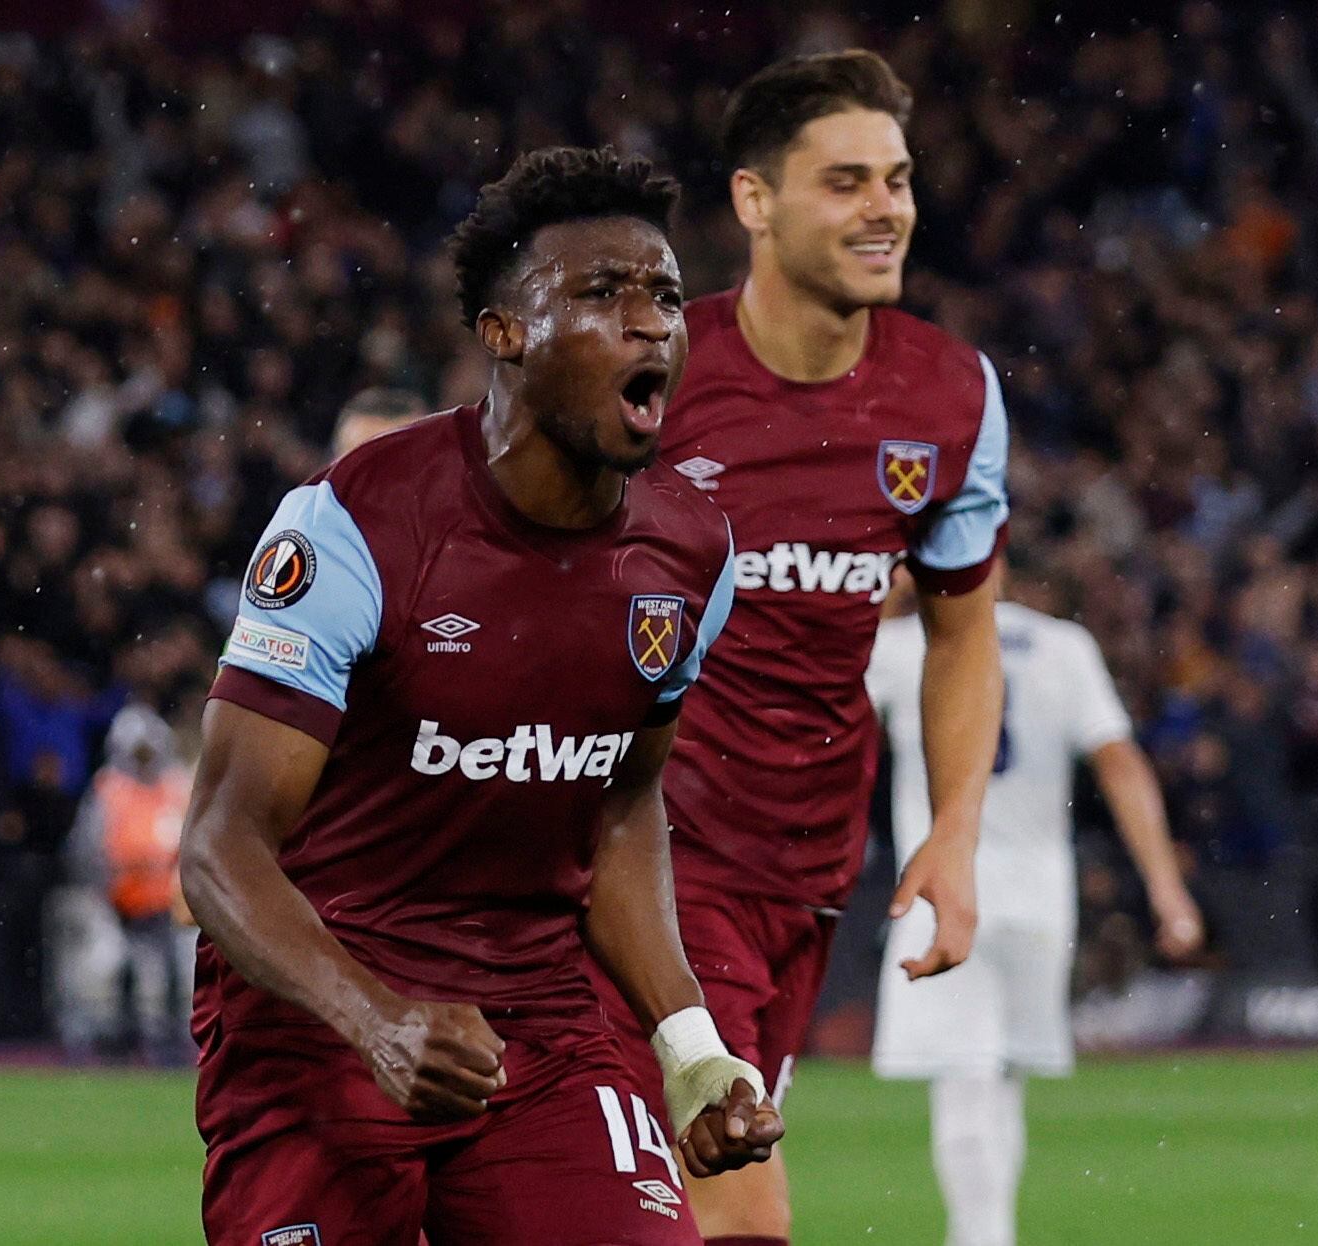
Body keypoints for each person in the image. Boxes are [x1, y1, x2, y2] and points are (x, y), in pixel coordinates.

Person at [179, 146, 783, 1246]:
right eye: (599, 294)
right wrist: (377, 1021)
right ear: (503, 333)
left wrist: (687, 1044)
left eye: (661, 292)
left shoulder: (694, 551)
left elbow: (615, 801)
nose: (649, 321)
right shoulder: (353, 523)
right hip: (318, 1017)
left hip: (538, 1022)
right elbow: (220, 846)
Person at [596, 50, 1010, 1244]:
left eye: (897, 178)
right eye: (844, 182)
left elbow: (960, 630)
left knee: (659, 1201)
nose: (884, 207)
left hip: (811, 864)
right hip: (659, 857)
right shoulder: (657, 373)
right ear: (753, 202)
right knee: (737, 1206)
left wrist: (951, 829)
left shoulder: (952, 395)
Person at [867, 578, 1205, 1246]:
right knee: (1005, 1079)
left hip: (944, 890)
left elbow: (833, 705)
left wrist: (886, 595)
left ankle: (979, 1239)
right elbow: (1120, 765)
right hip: (1039, 901)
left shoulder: (906, 645)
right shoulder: (1062, 645)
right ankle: (993, 1234)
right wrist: (1168, 891)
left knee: (964, 1077)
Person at [58, 704, 195, 1064]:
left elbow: (196, 845)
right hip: (116, 902)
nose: (144, 758)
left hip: (170, 903)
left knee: (180, 966)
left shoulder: (177, 785)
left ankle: (174, 1040)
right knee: (110, 963)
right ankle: (108, 1038)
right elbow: (85, 850)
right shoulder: (108, 789)